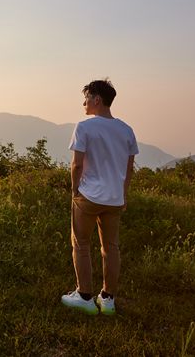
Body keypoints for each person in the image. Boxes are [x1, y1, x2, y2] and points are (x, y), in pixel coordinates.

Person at [61, 79, 138, 315]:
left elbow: (77, 165)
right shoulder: (126, 130)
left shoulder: (84, 126)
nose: (83, 103)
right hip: (114, 199)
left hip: (89, 196)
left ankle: (84, 296)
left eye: (86, 98)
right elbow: (128, 168)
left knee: (81, 244)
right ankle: (108, 299)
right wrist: (122, 195)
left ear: (96, 100)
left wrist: (74, 190)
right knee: (111, 247)